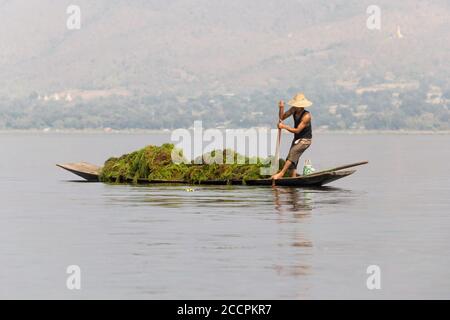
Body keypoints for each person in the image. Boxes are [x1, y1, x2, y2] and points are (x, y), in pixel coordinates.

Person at [272, 93, 313, 180]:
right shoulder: (293, 109)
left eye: (297, 105)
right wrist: (281, 108)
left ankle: (281, 174)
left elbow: (297, 130)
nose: (295, 106)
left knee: (292, 153)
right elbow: (282, 117)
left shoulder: (306, 116)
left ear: (302, 106)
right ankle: (293, 177)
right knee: (294, 158)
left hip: (306, 140)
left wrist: (284, 127)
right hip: (297, 138)